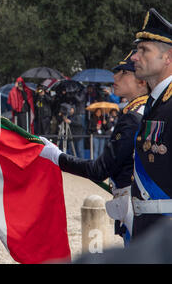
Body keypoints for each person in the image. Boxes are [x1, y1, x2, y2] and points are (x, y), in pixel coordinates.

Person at [40, 49, 149, 244]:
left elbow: (99, 170)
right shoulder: (146, 110)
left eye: (124, 73)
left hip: (136, 210)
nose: (115, 76)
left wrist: (56, 156)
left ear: (142, 81)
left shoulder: (133, 117)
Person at [128, 8, 172, 238]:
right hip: (149, 230)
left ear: (168, 57)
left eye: (144, 50)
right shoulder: (154, 103)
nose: (135, 56)